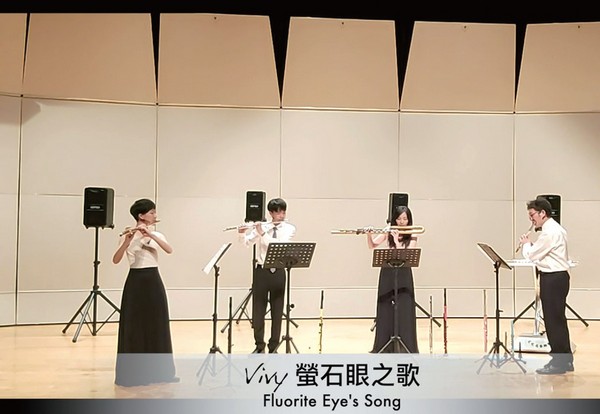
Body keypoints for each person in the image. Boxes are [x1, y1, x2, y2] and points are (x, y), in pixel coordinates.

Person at [112, 198, 178, 386]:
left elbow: (169, 250)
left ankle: (161, 373)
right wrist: (127, 242)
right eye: (152, 212)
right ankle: (133, 374)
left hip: (153, 281)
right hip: (135, 281)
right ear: (141, 215)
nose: (155, 215)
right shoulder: (127, 234)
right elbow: (116, 259)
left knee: (157, 324)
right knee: (134, 326)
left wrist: (150, 235)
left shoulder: (156, 234)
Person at [519, 197, 574, 375]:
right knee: (558, 320)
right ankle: (566, 360)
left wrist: (526, 245)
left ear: (543, 213)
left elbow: (532, 255)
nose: (531, 219)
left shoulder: (549, 232)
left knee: (553, 322)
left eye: (532, 215)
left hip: (552, 279)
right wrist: (531, 246)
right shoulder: (556, 229)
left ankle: (558, 363)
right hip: (559, 278)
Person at [238, 197, 296, 353]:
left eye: (283, 212)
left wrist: (262, 232)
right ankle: (259, 346)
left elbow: (280, 245)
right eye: (278, 213)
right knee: (258, 311)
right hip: (261, 272)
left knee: (277, 312)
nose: (281, 215)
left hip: (279, 272)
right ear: (271, 213)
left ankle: (274, 347)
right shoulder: (262, 226)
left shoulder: (289, 228)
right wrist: (242, 234)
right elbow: (245, 244)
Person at [366, 205, 419, 353]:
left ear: (409, 220)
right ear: (394, 219)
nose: (402, 222)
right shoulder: (388, 230)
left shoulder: (413, 233)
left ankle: (405, 345)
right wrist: (369, 235)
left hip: (403, 271)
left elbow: (408, 253)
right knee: (385, 305)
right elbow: (372, 246)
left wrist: (396, 241)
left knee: (404, 306)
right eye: (399, 219)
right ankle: (384, 344)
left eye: (405, 219)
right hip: (388, 270)